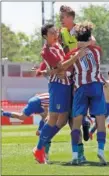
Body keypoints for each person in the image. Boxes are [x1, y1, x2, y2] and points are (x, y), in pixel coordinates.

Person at [33, 23, 86, 164]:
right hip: (57, 86)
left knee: (62, 120)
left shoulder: (57, 46)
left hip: (66, 84)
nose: (55, 34)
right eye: (51, 33)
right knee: (53, 118)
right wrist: (75, 57)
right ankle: (39, 148)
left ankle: (42, 146)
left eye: (55, 32)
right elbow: (62, 66)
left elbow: (62, 67)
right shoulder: (46, 51)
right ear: (45, 36)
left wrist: (62, 69)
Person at [68, 23, 107, 165]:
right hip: (96, 85)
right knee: (100, 119)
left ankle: (74, 154)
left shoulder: (73, 53)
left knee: (76, 121)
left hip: (81, 87)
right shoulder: (96, 51)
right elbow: (93, 41)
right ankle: (101, 151)